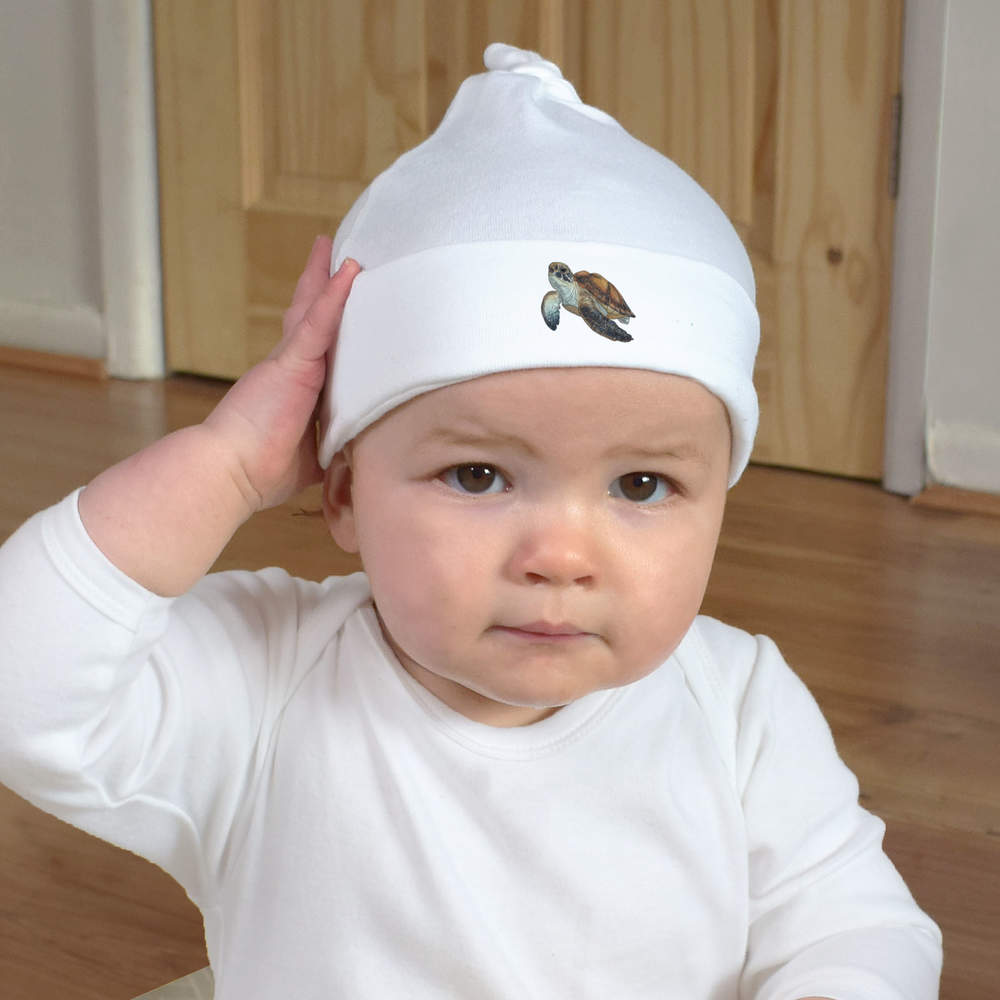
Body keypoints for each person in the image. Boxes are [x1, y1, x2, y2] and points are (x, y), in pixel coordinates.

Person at [0, 44, 941, 999]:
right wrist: (229, 462)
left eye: (641, 485)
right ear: (343, 494)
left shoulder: (740, 709)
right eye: (480, 475)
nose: (561, 556)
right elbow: (22, 687)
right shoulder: (263, 683)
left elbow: (855, 927)